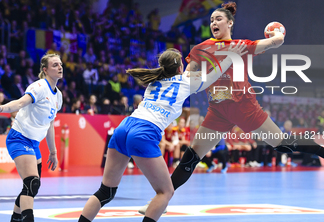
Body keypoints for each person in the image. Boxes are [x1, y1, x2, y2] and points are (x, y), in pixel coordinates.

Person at [139, 1, 324, 214]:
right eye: (211, 20)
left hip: (246, 108)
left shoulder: (240, 46)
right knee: (191, 157)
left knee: (282, 145)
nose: (213, 23)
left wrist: (277, 38)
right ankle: (159, 201)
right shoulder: (201, 49)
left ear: (230, 23)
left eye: (218, 19)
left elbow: (269, 44)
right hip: (218, 112)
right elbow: (189, 76)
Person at [77, 44, 246, 222]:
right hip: (144, 132)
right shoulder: (186, 83)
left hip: (124, 127)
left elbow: (181, 75)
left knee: (106, 191)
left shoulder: (154, 80)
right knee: (166, 192)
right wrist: (231, 57)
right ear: (180, 68)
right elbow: (213, 75)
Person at [1, 54, 63, 222]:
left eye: (60, 64)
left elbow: (50, 124)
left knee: (31, 188)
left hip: (34, 143)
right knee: (32, 183)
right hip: (19, 138)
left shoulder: (58, 96)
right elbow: (20, 103)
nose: (60, 67)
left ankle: (15, 219)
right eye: (55, 64)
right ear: (45, 70)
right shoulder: (39, 86)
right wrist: (2, 108)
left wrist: (53, 152)